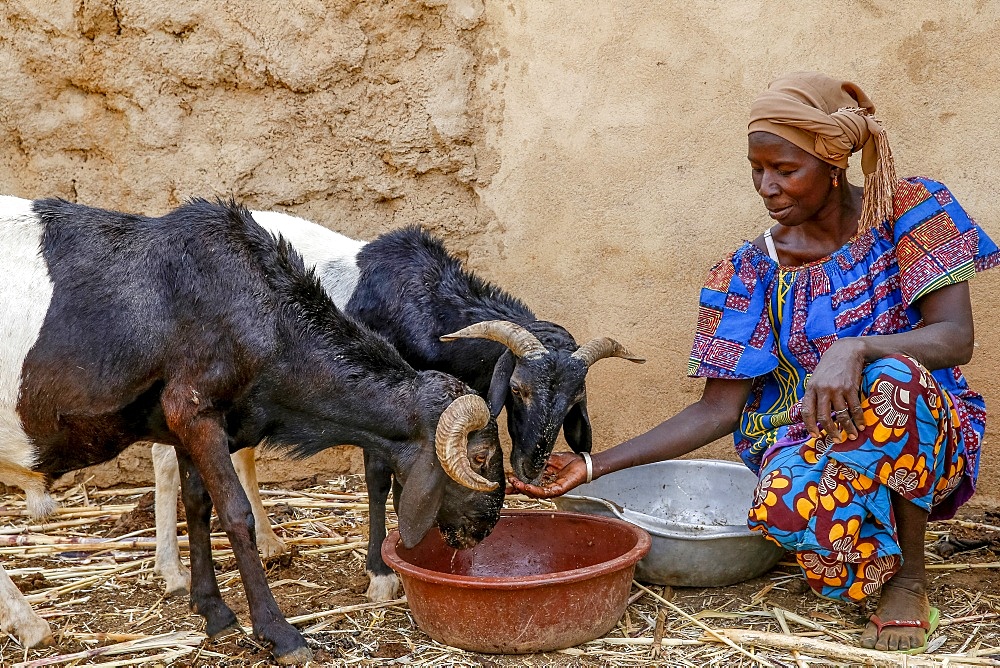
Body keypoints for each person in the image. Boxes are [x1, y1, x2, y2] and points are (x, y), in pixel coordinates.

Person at [509, 71, 1000, 654]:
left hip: (927, 429)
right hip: (811, 441)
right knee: (784, 502)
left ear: (834, 165)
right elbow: (718, 408)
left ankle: (909, 579)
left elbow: (955, 338)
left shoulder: (913, 212)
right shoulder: (748, 271)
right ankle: (867, 553)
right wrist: (591, 466)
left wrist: (856, 346)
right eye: (757, 170)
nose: (767, 186)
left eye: (786, 171)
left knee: (892, 380)